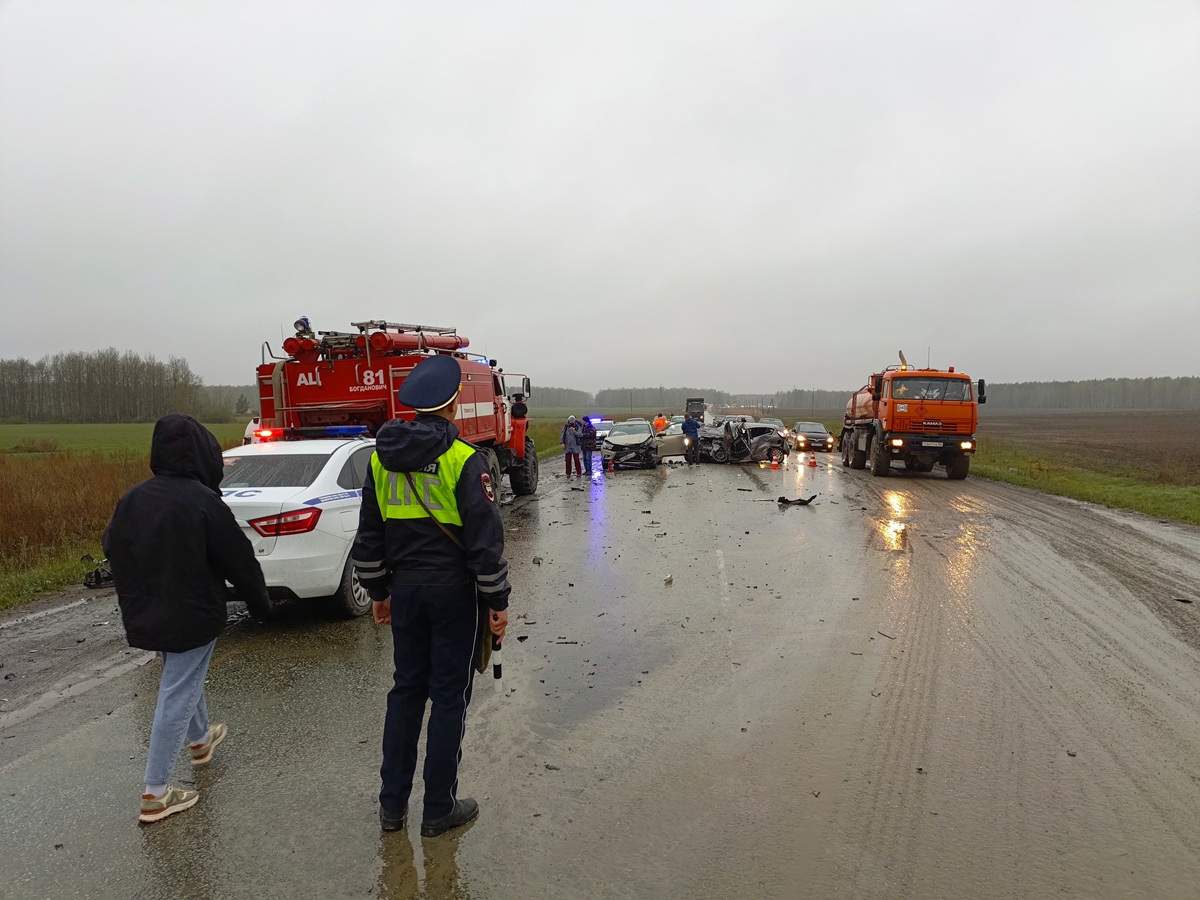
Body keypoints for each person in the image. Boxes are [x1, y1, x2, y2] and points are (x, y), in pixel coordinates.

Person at [352, 353, 510, 838]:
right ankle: (438, 808)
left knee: (404, 693)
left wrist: (379, 591)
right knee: (447, 698)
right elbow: (485, 543)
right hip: (452, 595)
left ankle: (391, 808)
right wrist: (497, 603)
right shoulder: (464, 459)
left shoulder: (381, 459)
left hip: (406, 592)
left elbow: (369, 535)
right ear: (454, 403)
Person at [102, 414, 270, 824]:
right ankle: (156, 793)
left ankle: (200, 740)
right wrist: (261, 605)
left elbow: (112, 545)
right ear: (203, 454)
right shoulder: (203, 501)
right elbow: (240, 561)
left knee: (184, 676)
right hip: (192, 613)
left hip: (147, 609)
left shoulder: (135, 498)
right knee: (178, 688)